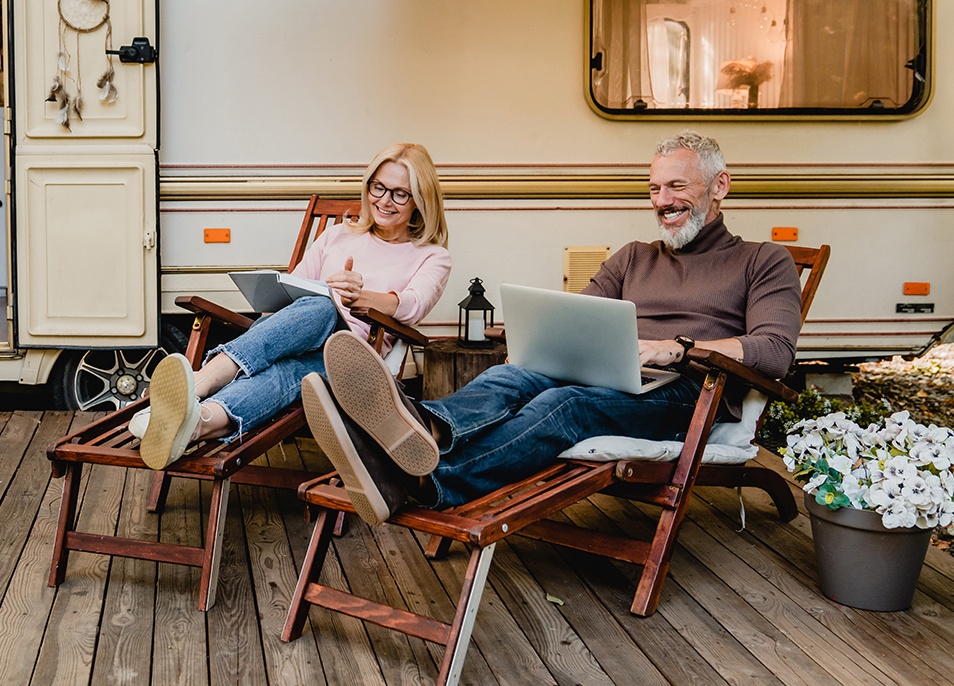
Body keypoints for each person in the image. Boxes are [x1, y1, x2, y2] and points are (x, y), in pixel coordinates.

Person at [302, 131, 804, 526]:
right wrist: (535, 330)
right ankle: (420, 425)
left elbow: (774, 350)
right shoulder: (634, 256)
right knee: (513, 376)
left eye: (677, 186)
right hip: (612, 375)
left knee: (563, 405)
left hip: (683, 394)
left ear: (719, 186)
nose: (662, 200)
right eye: (654, 188)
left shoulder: (762, 260)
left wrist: (676, 348)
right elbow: (580, 315)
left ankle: (425, 480)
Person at [132, 142, 453, 469]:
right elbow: (294, 285)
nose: (384, 200)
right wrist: (283, 301)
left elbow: (413, 305)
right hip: (295, 339)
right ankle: (195, 423)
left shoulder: (431, 256)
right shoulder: (338, 235)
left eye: (400, 193)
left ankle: (198, 383)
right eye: (379, 187)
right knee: (287, 370)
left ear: (420, 200)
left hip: (351, 361)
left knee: (322, 310)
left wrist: (358, 298)